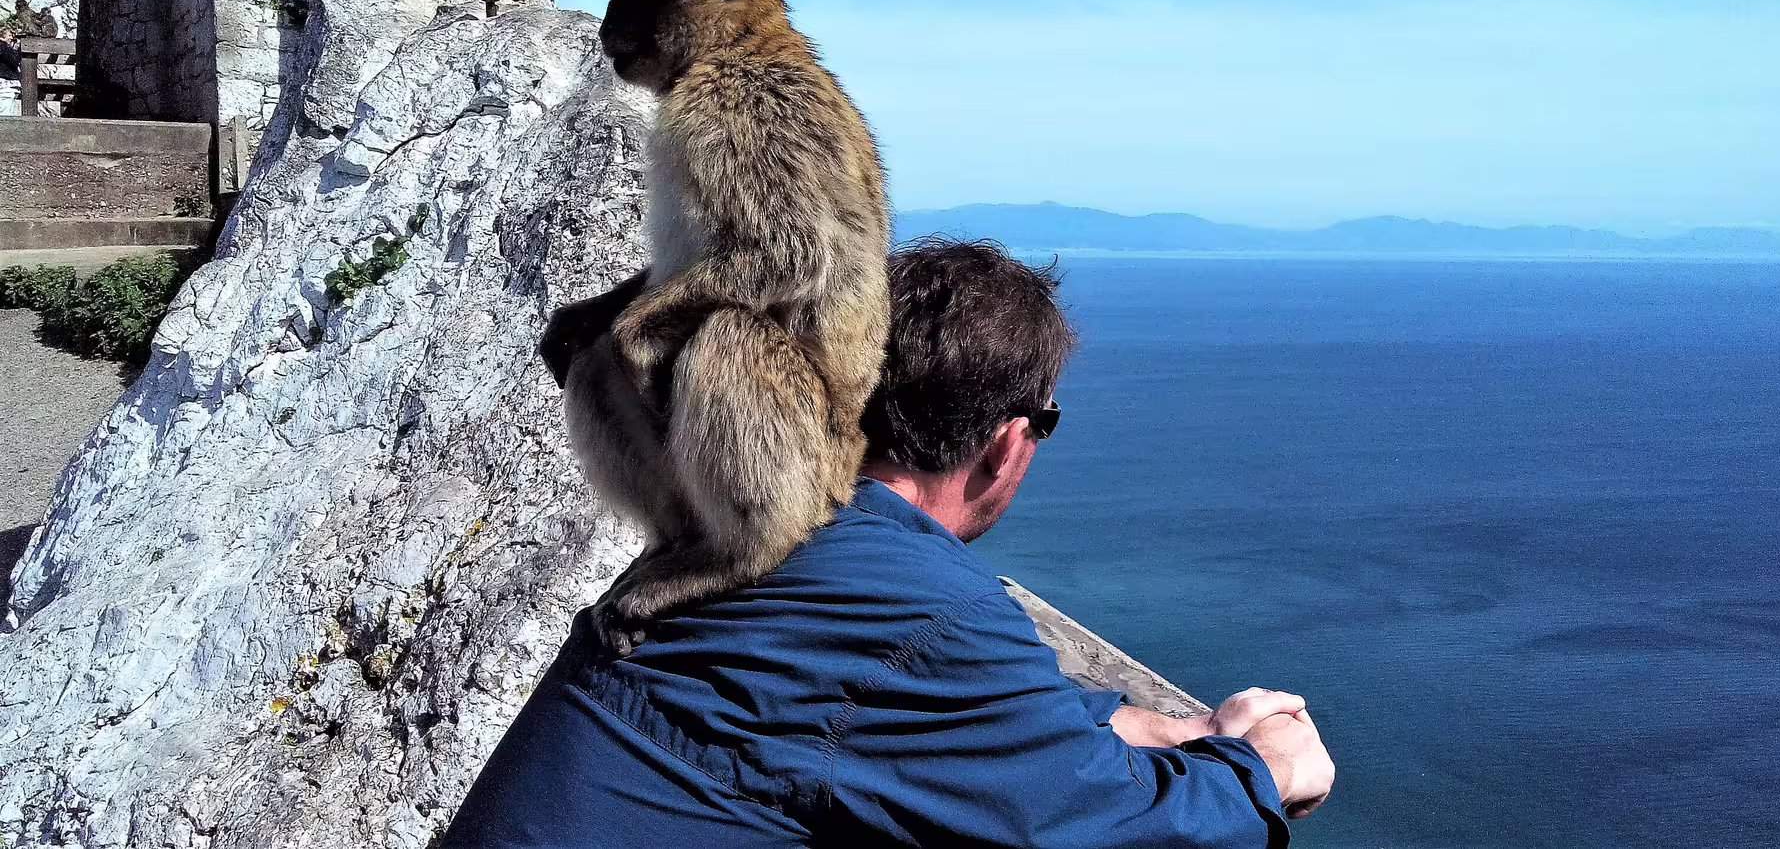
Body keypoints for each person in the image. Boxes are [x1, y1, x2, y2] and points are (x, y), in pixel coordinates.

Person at [444, 239, 1333, 847]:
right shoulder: (925, 609)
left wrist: (1109, 722)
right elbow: (1106, 836)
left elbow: (834, 714)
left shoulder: (746, 532)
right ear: (1008, 441)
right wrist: (1257, 770)